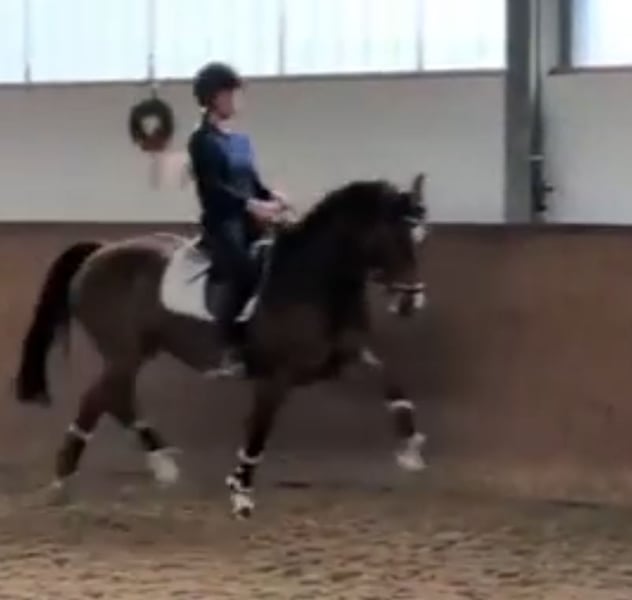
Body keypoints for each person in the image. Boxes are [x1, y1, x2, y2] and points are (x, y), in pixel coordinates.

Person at [187, 62, 285, 366]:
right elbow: (213, 188)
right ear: (213, 97)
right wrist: (251, 206)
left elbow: (252, 183)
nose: (234, 101)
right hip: (223, 223)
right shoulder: (201, 140)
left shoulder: (240, 141)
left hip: (250, 220)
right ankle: (228, 346)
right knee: (244, 269)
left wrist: (273, 198)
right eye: (229, 94)